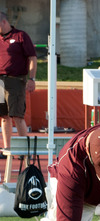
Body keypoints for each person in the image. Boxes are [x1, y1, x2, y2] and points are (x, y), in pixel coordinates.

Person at [0, 11, 37, 152]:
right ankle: (7, 148)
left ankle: (23, 150)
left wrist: (32, 78)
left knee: (17, 115)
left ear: (3, 22)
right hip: (0, 81)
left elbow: (32, 58)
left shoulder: (21, 36)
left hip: (15, 80)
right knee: (3, 116)